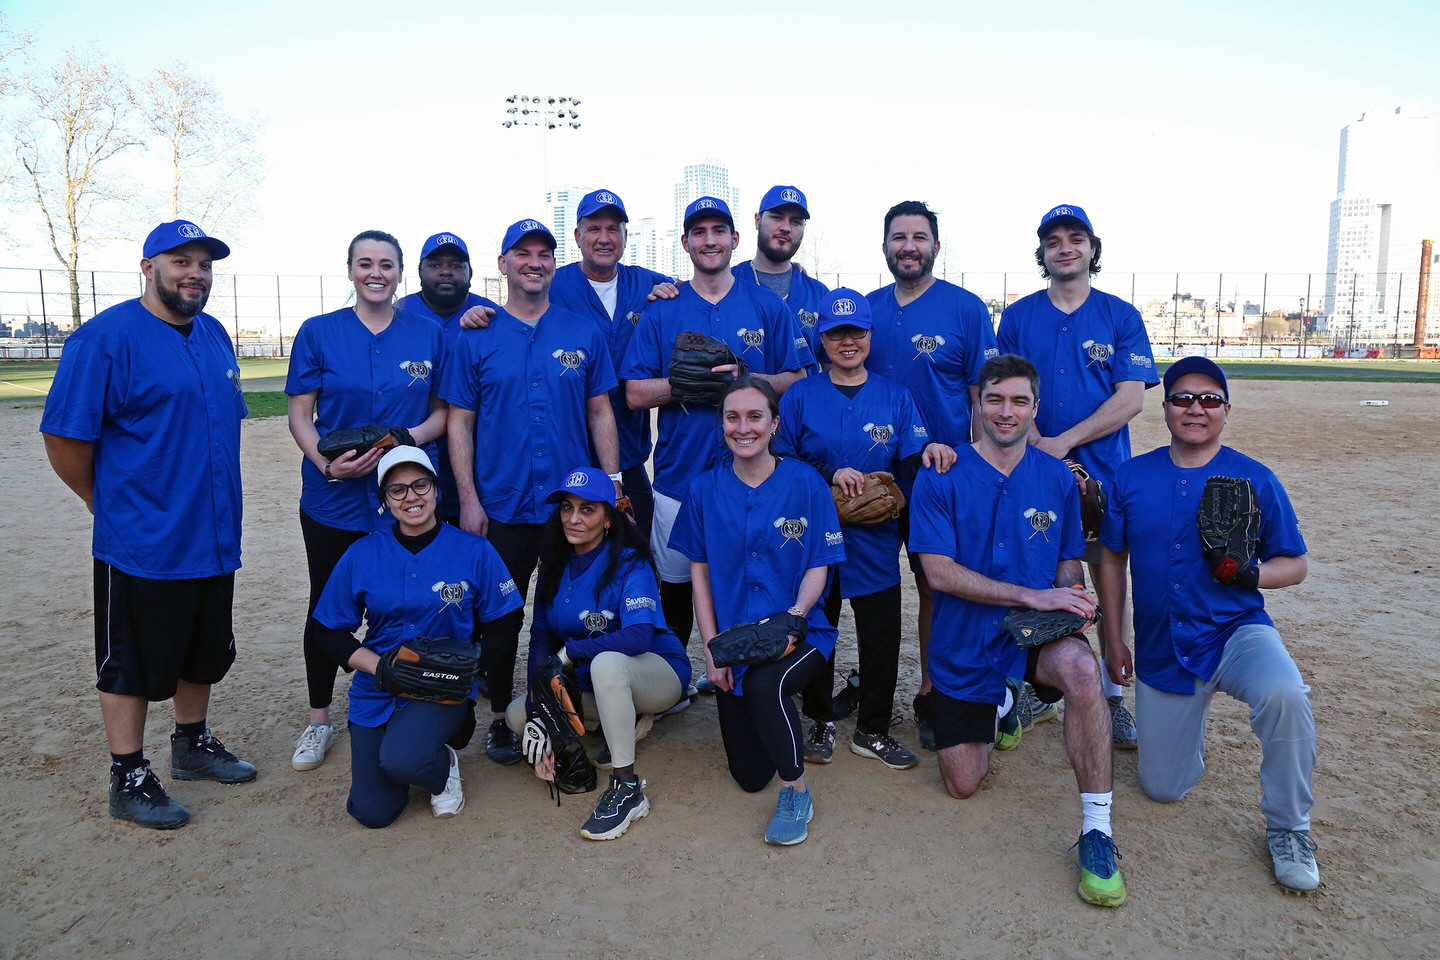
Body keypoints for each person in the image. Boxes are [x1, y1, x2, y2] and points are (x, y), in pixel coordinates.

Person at [41, 219, 254, 830]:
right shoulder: (104, 340)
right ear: (147, 267)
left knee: (203, 651)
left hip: (212, 534)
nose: (194, 273)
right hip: (142, 541)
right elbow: (63, 437)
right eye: (180, 261)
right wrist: (102, 501)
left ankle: (191, 744)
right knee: (130, 662)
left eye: (204, 264)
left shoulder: (213, 334)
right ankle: (128, 775)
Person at [909, 353, 1126, 907]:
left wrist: (1070, 596)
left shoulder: (1058, 477)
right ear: (978, 404)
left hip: (1032, 634)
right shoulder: (941, 472)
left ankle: (1097, 830)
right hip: (965, 641)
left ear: (1035, 408)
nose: (1007, 412)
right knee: (962, 784)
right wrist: (1031, 594)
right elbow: (937, 572)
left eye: (1019, 401)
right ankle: (1003, 701)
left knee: (1082, 669)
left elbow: (1067, 561)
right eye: (995, 399)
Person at [1096, 356, 1318, 894]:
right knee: (1163, 788)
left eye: (1209, 399)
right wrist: (1113, 638)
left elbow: (1296, 563)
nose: (1196, 408)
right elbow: (1110, 558)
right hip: (1162, 645)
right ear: (1166, 407)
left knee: (1285, 693)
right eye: (1183, 398)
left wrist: (1252, 573)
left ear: (1225, 410)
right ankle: (1185, 732)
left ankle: (1290, 829)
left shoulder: (1254, 477)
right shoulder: (1131, 476)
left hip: (1237, 632)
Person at [439, 218, 622, 766]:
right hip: (502, 504)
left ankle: (558, 707)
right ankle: (499, 718)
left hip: (573, 507)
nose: (535, 262)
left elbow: (600, 411)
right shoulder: (476, 334)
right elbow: (459, 424)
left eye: (544, 253)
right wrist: (469, 499)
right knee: (499, 617)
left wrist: (611, 485)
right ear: (503, 265)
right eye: (523, 254)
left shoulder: (582, 330)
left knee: (568, 613)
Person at [622, 196, 815, 670]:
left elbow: (798, 377)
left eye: (719, 231)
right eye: (700, 232)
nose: (710, 240)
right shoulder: (663, 310)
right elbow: (633, 394)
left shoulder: (767, 305)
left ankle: (750, 673)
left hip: (751, 477)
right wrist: (686, 383)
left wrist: (745, 382)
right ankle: (672, 678)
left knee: (747, 576)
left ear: (735, 238)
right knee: (675, 585)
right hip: (678, 474)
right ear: (686, 242)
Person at [285, 230, 448, 773]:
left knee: (417, 600)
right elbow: (300, 414)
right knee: (326, 610)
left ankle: (417, 698)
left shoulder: (428, 333)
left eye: (386, 264)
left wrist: (402, 445)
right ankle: (318, 720)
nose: (375, 273)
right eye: (365, 264)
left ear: (401, 273)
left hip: (405, 497)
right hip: (333, 499)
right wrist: (326, 464)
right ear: (351, 270)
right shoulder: (319, 332)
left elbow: (443, 413)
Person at [997, 204, 1158, 748]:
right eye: (1053, 240)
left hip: (1105, 474)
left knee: (1108, 577)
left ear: (1092, 249)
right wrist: (1037, 442)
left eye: (1075, 238)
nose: (1064, 246)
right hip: (1033, 470)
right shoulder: (1019, 317)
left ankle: (1113, 698)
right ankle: (1034, 684)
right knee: (1036, 574)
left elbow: (1132, 397)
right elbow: (1006, 391)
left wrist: (1063, 441)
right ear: (1041, 254)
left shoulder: (1120, 315)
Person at [775, 288, 956, 770]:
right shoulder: (800, 395)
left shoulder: (895, 395)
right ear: (823, 338)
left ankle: (872, 729)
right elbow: (780, 459)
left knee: (881, 637)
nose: (847, 341)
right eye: (836, 333)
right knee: (819, 629)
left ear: (870, 335)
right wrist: (826, 474)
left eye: (856, 331)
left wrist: (932, 451)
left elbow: (913, 455)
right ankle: (819, 720)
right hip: (814, 540)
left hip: (875, 539)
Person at [669, 376, 846, 846]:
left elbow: (819, 565)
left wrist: (795, 616)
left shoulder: (806, 482)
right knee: (748, 775)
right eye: (732, 417)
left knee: (769, 686)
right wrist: (711, 650)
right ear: (721, 423)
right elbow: (700, 577)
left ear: (774, 425)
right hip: (736, 643)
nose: (742, 427)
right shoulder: (703, 489)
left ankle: (796, 792)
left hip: (804, 631)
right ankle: (773, 726)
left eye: (754, 417)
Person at [311, 447, 521, 827]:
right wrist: (380, 667)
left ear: (436, 490)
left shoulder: (474, 550)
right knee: (373, 812)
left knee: (402, 760)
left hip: (442, 684)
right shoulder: (363, 553)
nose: (411, 497)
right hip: (378, 684)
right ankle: (410, 747)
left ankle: (442, 766)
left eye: (420, 484)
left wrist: (468, 671)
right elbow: (326, 629)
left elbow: (506, 622)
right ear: (384, 501)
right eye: (397, 490)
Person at [865, 201, 999, 750]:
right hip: (872, 477)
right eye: (899, 237)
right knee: (870, 584)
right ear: (886, 248)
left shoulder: (965, 309)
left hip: (939, 472)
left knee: (936, 586)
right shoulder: (867, 309)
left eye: (919, 237)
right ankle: (864, 690)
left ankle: (931, 691)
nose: (909, 246)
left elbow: (983, 400)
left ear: (936, 247)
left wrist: (979, 467)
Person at [506, 467, 690, 840]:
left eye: (588, 509)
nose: (573, 518)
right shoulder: (554, 563)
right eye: (567, 508)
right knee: (518, 715)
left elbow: (638, 636)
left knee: (608, 665)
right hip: (598, 677)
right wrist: (542, 707)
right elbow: (541, 635)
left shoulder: (629, 561)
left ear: (609, 517)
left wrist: (572, 652)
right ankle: (626, 718)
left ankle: (626, 788)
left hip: (657, 671)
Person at [548, 190, 677, 540]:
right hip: (566, 454)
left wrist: (783, 269)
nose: (604, 238)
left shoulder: (646, 282)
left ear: (624, 236)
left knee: (639, 546)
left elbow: (706, 288)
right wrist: (476, 313)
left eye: (613, 229)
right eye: (593, 229)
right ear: (577, 236)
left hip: (627, 455)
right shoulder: (552, 285)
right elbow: (512, 310)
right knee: (566, 556)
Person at [395, 232, 501, 525]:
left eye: (456, 265)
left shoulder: (493, 317)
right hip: (411, 454)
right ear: (418, 271)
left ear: (470, 273)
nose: (445, 271)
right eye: (435, 264)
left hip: (478, 459)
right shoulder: (397, 314)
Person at [732, 185, 830, 359]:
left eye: (796, 221)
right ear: (757, 220)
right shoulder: (729, 283)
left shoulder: (819, 294)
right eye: (777, 217)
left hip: (802, 387)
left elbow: (832, 372)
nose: (786, 227)